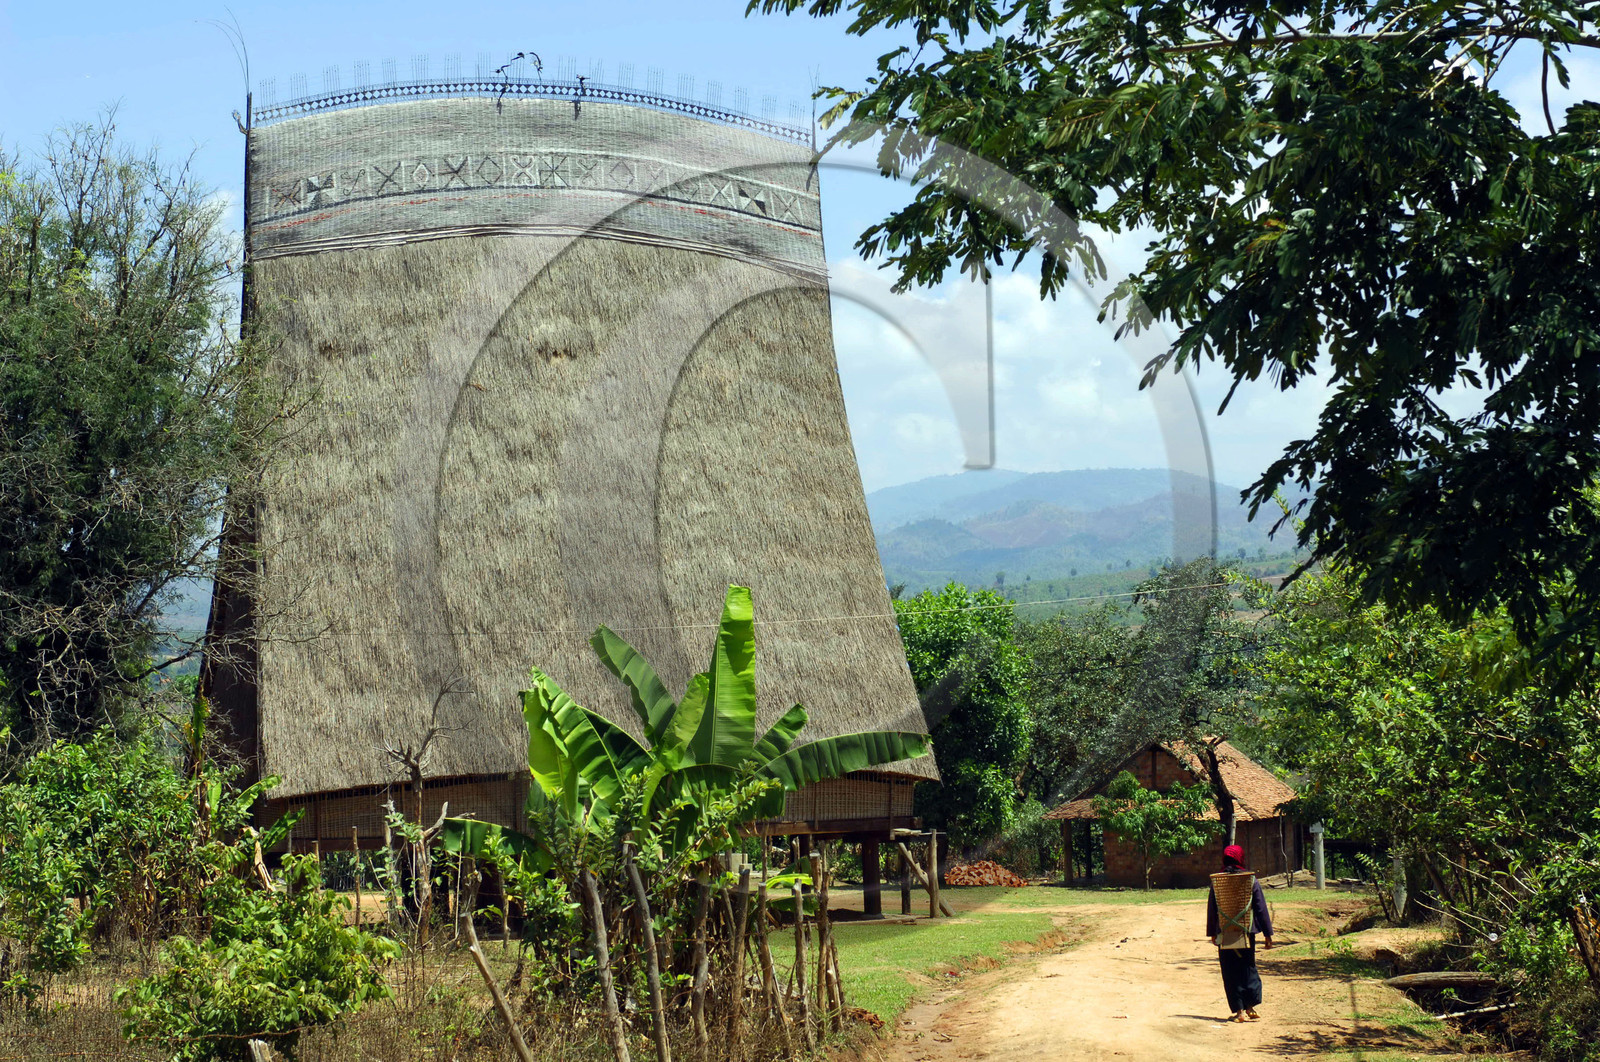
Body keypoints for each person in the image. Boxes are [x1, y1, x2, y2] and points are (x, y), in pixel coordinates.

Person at [1206, 843, 1273, 1022]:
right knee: (1248, 966)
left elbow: (1212, 908)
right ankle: (1250, 1006)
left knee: (1230, 970)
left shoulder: (1217, 881)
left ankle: (1239, 1011)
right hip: (1247, 931)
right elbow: (1260, 908)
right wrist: (1267, 934)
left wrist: (1212, 932)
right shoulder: (1250, 880)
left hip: (1225, 931)